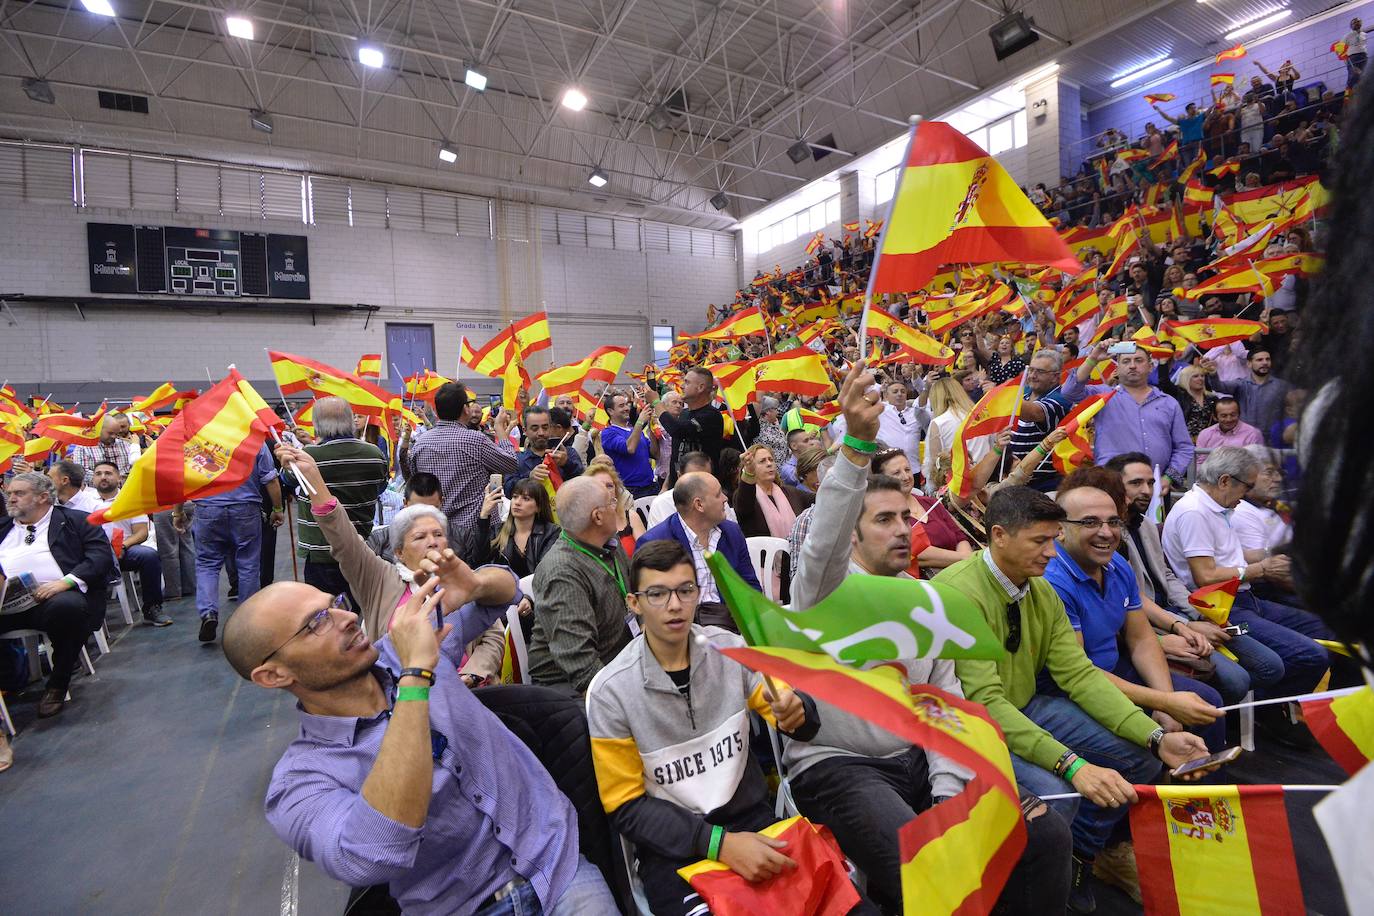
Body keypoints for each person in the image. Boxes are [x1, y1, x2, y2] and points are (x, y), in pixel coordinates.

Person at [786, 361, 1073, 915]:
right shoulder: (824, 592)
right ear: (852, 533)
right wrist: (854, 446)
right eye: (883, 520)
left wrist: (949, 799)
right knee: (926, 865)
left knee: (1046, 837)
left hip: (922, 759)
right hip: (842, 764)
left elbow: (950, 707)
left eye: (904, 516)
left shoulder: (928, 602)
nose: (901, 529)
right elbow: (821, 542)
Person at [222, 554, 616, 914]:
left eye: (334, 605)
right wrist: (414, 679)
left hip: (557, 866)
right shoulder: (300, 784)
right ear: (274, 675)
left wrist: (474, 585)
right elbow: (372, 854)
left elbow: (507, 590)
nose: (347, 618)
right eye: (316, 623)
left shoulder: (405, 650)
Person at [941, 486, 1215, 911]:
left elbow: (1080, 675)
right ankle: (1026, 888)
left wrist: (1156, 735)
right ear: (998, 535)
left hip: (1026, 706)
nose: (1052, 553)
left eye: (1053, 539)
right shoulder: (958, 595)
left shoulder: (1039, 589)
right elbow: (986, 705)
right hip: (971, 726)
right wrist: (1074, 765)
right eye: (1039, 541)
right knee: (1061, 794)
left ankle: (1079, 857)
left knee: (1143, 758)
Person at [586, 540, 828, 916]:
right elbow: (626, 808)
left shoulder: (729, 651)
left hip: (756, 822)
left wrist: (799, 713)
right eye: (657, 594)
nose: (674, 605)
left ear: (698, 593)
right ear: (634, 604)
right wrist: (719, 845)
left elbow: (791, 712)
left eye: (685, 590)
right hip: (676, 851)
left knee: (837, 903)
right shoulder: (611, 691)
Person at [273, 444, 506, 688]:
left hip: (467, 689)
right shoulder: (380, 580)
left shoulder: (461, 577)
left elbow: (493, 635)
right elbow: (343, 538)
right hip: (399, 693)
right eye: (419, 537)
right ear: (399, 552)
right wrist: (314, 478)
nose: (432, 541)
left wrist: (474, 673)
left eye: (438, 533)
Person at [1045, 470, 1225, 751]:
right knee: (1146, 750)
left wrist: (1165, 700)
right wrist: (1163, 702)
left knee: (1207, 703)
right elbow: (1079, 674)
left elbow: (1140, 638)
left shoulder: (1117, 565)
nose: (1106, 532)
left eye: (1114, 521)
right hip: (1073, 691)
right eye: (1090, 522)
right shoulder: (1053, 583)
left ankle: (1198, 791)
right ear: (1060, 529)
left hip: (1116, 669)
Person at [1161, 447, 1329, 702]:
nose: (1248, 494)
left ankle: (1277, 710)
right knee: (1309, 655)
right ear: (1225, 480)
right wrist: (1260, 569)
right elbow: (1204, 577)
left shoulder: (1218, 507)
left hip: (1246, 599)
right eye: (1246, 487)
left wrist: (1268, 561)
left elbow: (1229, 559)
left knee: (1325, 629)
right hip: (1222, 608)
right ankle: (1266, 714)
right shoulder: (1195, 512)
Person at [1105, 454, 1255, 705]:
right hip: (1149, 623)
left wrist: (1198, 612)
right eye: (1136, 483)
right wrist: (1183, 626)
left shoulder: (1146, 526)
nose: (1146, 491)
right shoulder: (1109, 536)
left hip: (1175, 611)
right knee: (1235, 680)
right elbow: (1133, 600)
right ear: (1115, 487)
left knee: (1264, 661)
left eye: (1150, 483)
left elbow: (1166, 576)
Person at [0, 471, 114, 719]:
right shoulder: (3, 528)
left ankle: (57, 683)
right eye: (9, 493)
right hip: (5, 603)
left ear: (43, 497)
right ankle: (9, 682)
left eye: (19, 493)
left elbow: (100, 558)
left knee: (67, 608)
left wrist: (65, 582)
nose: (11, 498)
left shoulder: (77, 521)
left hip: (53, 599)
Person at [525, 476, 634, 695]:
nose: (617, 506)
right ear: (598, 516)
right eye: (611, 502)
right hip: (569, 687)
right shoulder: (562, 573)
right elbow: (582, 667)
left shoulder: (609, 543)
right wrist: (633, 700)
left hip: (618, 661)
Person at [178, 443, 283, 644]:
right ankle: (246, 621)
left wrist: (178, 512)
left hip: (208, 510)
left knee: (207, 564)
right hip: (246, 510)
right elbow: (270, 479)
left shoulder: (196, 440)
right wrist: (277, 508)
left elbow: (181, 481)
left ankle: (208, 613)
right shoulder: (254, 440)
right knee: (248, 564)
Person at [290, 397, 389, 605]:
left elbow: (286, 480)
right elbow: (380, 489)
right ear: (350, 420)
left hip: (320, 551)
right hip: (360, 547)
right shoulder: (374, 454)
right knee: (363, 610)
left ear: (316, 424)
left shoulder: (308, 456)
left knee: (325, 612)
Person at [636, 471, 761, 631]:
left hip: (732, 626)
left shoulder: (731, 532)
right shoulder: (656, 542)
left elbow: (750, 586)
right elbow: (650, 604)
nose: (725, 498)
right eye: (718, 495)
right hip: (684, 631)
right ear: (699, 505)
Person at [1063, 341, 1193, 494]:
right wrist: (1093, 358)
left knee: (1153, 520)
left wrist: (1169, 478)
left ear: (1151, 366)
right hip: (1112, 485)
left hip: (1154, 488)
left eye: (1138, 360)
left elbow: (1184, 447)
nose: (1132, 365)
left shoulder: (1169, 403)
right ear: (1117, 369)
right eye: (1126, 361)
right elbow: (1069, 392)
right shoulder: (1103, 396)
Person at [402, 382, 517, 538]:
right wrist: (501, 431)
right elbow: (510, 464)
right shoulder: (476, 440)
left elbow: (412, 480)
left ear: (436, 411)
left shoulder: (421, 443)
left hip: (436, 531)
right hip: (475, 532)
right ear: (465, 409)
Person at [89, 461, 172, 626]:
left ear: (119, 477)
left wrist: (123, 546)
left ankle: (152, 608)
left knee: (149, 556)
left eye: (108, 473)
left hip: (124, 550)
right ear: (93, 479)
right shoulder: (86, 501)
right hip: (94, 553)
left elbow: (141, 532)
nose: (103, 477)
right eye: (98, 474)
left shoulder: (130, 499)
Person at [870, 449, 972, 575]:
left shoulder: (930, 502)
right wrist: (964, 559)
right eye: (897, 473)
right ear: (882, 479)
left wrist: (966, 560)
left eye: (907, 470)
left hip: (962, 572)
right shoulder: (884, 514)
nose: (906, 477)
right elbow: (917, 553)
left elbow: (959, 536)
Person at [366, 473, 475, 565]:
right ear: (405, 504)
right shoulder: (379, 540)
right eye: (417, 509)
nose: (424, 516)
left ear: (441, 502)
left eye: (432, 509)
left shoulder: (463, 538)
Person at [1005, 349, 1075, 491]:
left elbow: (1034, 412)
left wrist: (1001, 395)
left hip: (1043, 484)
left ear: (1055, 377)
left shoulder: (1061, 398)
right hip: (1014, 480)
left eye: (1040, 372)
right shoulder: (1024, 393)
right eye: (1030, 370)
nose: (1032, 375)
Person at [657, 367, 726, 484]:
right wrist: (666, 485)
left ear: (700, 387)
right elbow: (675, 455)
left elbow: (677, 431)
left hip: (701, 487)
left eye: (687, 382)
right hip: (677, 487)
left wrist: (656, 402)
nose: (682, 386)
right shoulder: (683, 413)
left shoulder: (711, 415)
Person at [1208, 346, 1292, 436]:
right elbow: (1219, 386)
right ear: (1249, 364)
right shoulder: (1241, 384)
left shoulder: (1282, 386)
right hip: (1246, 438)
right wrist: (1213, 374)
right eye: (1259, 360)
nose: (1265, 363)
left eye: (1267, 359)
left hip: (1273, 439)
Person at [505, 404, 583, 497]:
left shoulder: (567, 453)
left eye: (545, 427)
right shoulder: (516, 460)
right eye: (535, 428)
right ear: (525, 431)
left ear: (550, 428)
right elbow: (508, 490)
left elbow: (582, 483)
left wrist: (567, 464)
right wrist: (529, 478)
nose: (541, 433)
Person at [645, 452, 737, 528]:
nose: (698, 485)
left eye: (704, 479)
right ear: (679, 476)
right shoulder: (661, 504)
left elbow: (732, 534)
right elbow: (657, 546)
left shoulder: (719, 499)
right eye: (693, 479)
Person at [600, 391, 657, 500]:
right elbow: (629, 448)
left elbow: (655, 454)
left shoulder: (634, 430)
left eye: (626, 404)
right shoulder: (608, 433)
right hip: (629, 491)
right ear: (610, 411)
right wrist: (640, 421)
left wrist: (652, 428)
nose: (627, 408)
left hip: (651, 487)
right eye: (621, 406)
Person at [69, 413, 137, 478]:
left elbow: (133, 469)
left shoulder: (126, 445)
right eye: (110, 433)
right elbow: (81, 473)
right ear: (99, 429)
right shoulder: (83, 448)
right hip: (94, 489)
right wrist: (109, 478)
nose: (114, 436)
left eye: (116, 434)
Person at [1171, 365, 1219, 439]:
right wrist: (1163, 363)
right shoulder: (1180, 395)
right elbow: (1164, 384)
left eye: (1202, 376)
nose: (1200, 379)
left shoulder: (1212, 398)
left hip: (1208, 440)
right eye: (1195, 376)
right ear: (1186, 379)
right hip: (1185, 440)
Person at [1195, 397, 1261, 449]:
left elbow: (1256, 462)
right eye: (1224, 416)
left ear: (1239, 414)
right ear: (1215, 417)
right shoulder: (1205, 434)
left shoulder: (1252, 434)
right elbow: (1199, 462)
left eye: (1233, 415)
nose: (1229, 419)